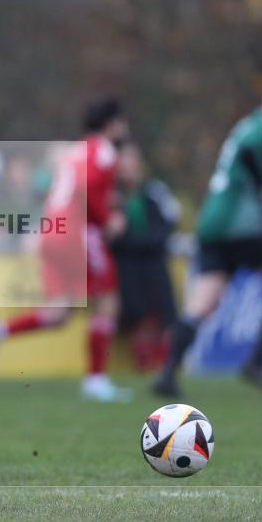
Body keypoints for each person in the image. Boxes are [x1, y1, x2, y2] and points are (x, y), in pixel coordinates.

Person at [153, 75, 262, 397]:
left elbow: (251, 181)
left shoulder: (248, 126)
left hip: (212, 223)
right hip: (240, 227)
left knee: (202, 302)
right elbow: (251, 155)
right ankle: (257, 363)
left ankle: (167, 375)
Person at [0, 98, 131, 402]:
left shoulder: (74, 150)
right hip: (77, 232)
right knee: (107, 300)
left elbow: (60, 187)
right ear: (112, 124)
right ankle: (96, 380)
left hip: (51, 231)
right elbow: (86, 188)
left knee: (59, 313)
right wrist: (106, 217)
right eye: (122, 122)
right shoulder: (105, 151)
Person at [110, 144, 180, 371]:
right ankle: (143, 364)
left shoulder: (155, 191)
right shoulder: (113, 196)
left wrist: (150, 241)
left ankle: (167, 367)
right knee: (135, 315)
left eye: (133, 162)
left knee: (164, 312)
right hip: (127, 264)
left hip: (154, 261)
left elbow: (170, 220)